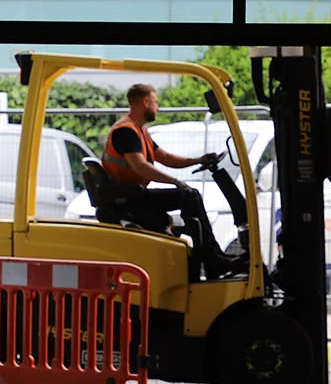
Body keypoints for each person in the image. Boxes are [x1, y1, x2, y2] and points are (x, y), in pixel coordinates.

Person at [100, 84, 238, 273]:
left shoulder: (139, 130)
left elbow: (164, 157)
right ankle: (212, 259)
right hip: (128, 199)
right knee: (189, 195)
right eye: (155, 103)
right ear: (146, 102)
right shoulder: (126, 131)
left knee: (189, 195)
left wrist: (198, 160)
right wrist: (175, 182)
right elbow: (140, 166)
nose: (158, 107)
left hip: (133, 195)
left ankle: (209, 256)